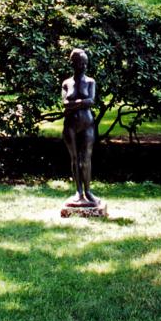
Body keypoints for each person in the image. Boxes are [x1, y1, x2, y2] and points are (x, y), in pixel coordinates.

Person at [62, 48, 100, 206]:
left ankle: (88, 191)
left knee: (86, 159)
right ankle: (78, 191)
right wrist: (80, 103)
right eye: (80, 63)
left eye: (85, 63)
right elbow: (64, 103)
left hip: (87, 124)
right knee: (74, 158)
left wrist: (74, 104)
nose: (84, 66)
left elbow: (91, 101)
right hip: (70, 125)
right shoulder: (67, 83)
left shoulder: (91, 82)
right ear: (73, 64)